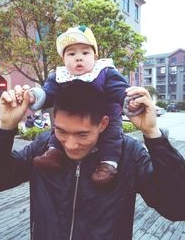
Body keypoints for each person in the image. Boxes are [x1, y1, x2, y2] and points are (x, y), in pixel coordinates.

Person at [0, 82, 185, 240]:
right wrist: (5, 127)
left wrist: (153, 134)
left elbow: (176, 206)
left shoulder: (128, 154)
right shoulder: (44, 147)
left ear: (103, 123)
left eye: (82, 134)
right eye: (61, 131)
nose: (70, 144)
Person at [15, 25, 143, 186]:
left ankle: (108, 164)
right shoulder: (60, 76)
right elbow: (48, 92)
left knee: (112, 136)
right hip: (69, 119)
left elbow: (120, 89)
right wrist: (33, 96)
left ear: (94, 56)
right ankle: (53, 152)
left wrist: (130, 100)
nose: (78, 57)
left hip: (105, 117)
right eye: (71, 53)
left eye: (85, 52)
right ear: (63, 59)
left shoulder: (104, 72)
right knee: (58, 130)